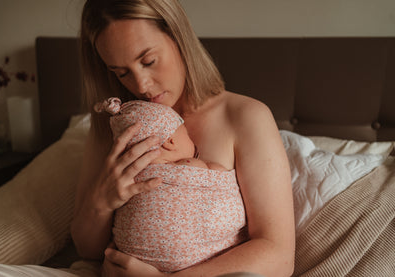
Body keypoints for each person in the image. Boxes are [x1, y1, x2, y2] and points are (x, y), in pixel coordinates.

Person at [71, 0, 295, 276]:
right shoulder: (119, 127)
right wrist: (103, 202)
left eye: (149, 61)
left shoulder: (245, 117)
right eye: (122, 73)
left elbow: (279, 255)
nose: (141, 85)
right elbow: (87, 249)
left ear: (179, 38)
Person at [94, 97, 247, 273]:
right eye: (186, 134)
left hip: (130, 260)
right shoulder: (189, 165)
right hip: (193, 261)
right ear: (171, 141)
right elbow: (217, 177)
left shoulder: (125, 178)